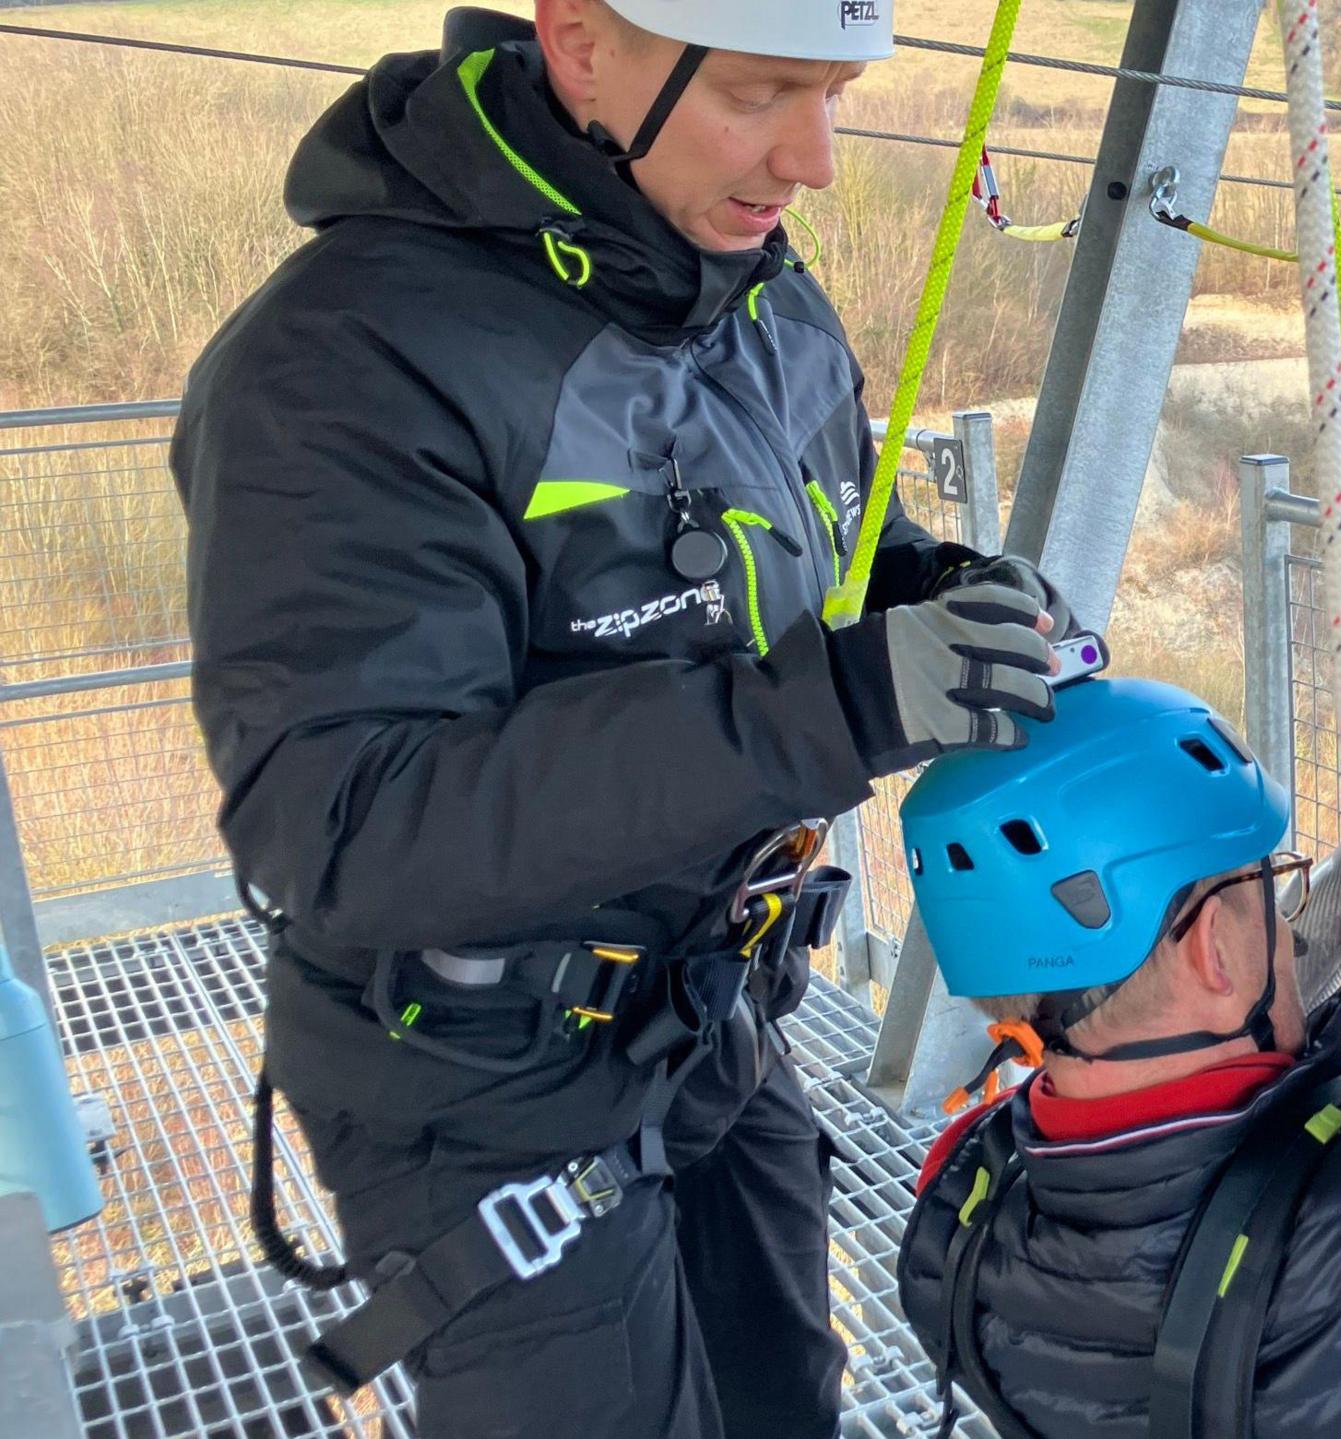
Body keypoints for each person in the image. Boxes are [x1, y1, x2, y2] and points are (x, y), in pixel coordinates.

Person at [174, 3, 1073, 1435]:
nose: (815, 160)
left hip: (713, 1013)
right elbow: (347, 823)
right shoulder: (347, 365)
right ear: (584, 45)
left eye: (832, 94)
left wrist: (939, 589)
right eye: (765, 93)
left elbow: (819, 537)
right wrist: (838, 702)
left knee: (788, 1400)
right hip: (482, 1088)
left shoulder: (752, 289)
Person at [894, 678, 1341, 1438]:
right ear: (1215, 948)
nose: (1289, 926)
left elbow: (1181, 1092)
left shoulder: (961, 1208)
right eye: (1271, 887)